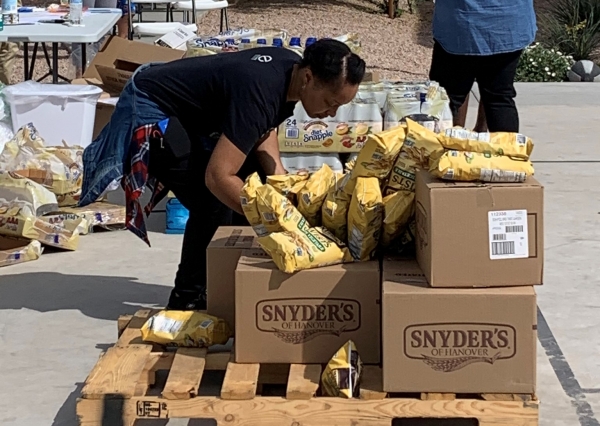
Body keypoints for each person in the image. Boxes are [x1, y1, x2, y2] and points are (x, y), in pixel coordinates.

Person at [78, 39, 366, 310]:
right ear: (308, 79)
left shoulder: (290, 70)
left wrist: (279, 180)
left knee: (257, 185)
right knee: (213, 199)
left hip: (191, 114)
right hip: (153, 107)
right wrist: (274, 220)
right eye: (331, 102)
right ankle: (188, 297)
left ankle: (232, 283)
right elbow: (217, 177)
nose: (331, 114)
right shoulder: (261, 87)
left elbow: (262, 128)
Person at [429, 0, 537, 132]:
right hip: (508, 23)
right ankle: (503, 151)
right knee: (499, 97)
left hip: (459, 25)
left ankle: (447, 147)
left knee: (446, 98)